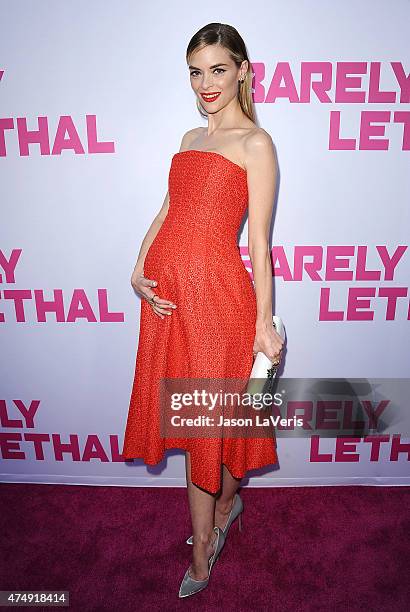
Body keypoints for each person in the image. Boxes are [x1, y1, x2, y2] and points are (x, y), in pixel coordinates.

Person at [122, 22, 284, 598]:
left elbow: (260, 243)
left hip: (220, 305)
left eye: (218, 69)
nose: (206, 82)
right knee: (195, 429)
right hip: (169, 304)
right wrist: (139, 269)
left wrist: (264, 322)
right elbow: (169, 210)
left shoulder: (255, 144)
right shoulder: (189, 139)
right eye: (196, 71)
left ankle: (223, 512)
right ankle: (206, 542)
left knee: (218, 426)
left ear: (242, 69)